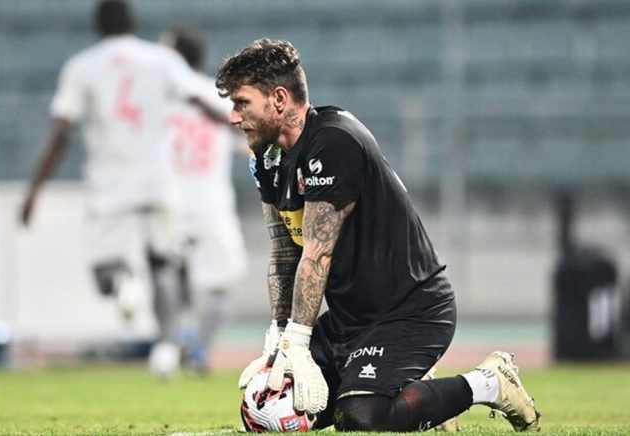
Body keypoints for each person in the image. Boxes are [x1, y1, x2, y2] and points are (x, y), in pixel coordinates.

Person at [216, 38, 540, 432]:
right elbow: (285, 254)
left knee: (360, 414)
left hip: (411, 312)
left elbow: (317, 255)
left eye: (242, 103)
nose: (233, 117)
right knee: (265, 409)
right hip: (349, 320)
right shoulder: (268, 159)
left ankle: (488, 382)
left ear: (280, 99)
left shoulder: (333, 142)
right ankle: (416, 392)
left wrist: (298, 344)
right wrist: (279, 338)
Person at [20, 0, 221, 372]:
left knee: (105, 272)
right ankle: (166, 348)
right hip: (158, 179)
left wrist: (34, 191)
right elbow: (199, 98)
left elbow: (61, 133)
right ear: (134, 23)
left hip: (110, 184)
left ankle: (128, 285)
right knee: (163, 263)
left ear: (97, 26)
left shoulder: (82, 67)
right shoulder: (161, 60)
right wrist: (239, 125)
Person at [160, 26, 247, 372]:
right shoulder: (220, 98)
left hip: (169, 203)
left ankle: (170, 344)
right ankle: (197, 348)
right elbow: (248, 143)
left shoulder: (158, 100)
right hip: (212, 204)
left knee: (167, 278)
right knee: (223, 284)